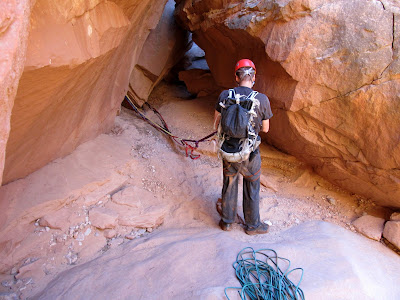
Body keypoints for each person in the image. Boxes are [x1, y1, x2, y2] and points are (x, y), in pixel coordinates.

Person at [214, 59, 273, 235]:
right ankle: (253, 225)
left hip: (228, 150)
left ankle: (226, 221)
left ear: (236, 77)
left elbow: (216, 123)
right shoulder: (261, 99)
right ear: (254, 77)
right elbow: (266, 128)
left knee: (229, 183)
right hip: (250, 153)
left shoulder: (225, 95)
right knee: (252, 185)